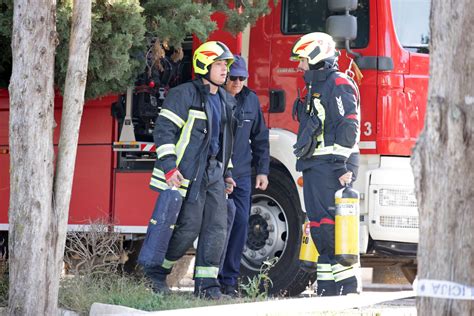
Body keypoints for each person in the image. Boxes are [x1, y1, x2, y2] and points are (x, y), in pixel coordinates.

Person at [144, 41, 236, 300]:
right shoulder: (183, 94)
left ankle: (208, 286)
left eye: (225, 65)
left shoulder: (226, 100)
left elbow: (222, 142)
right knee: (187, 228)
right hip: (186, 175)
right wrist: (170, 168)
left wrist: (227, 173)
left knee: (217, 227)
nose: (224, 70)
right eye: (218, 64)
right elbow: (164, 132)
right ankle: (157, 275)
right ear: (204, 65)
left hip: (213, 174)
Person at [290, 32, 361, 296]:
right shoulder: (317, 85)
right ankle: (328, 288)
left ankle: (347, 287)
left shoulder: (338, 83)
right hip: (315, 164)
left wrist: (342, 165)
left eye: (303, 60)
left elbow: (348, 125)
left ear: (317, 57)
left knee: (330, 226)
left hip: (333, 165)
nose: (299, 66)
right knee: (319, 225)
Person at [218, 55, 270, 297]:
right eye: (233, 77)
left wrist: (262, 170)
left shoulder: (250, 100)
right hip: (216, 174)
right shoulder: (215, 98)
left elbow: (260, 138)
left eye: (242, 78)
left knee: (239, 225)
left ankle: (228, 280)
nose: (238, 82)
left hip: (242, 174)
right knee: (215, 226)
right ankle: (208, 279)